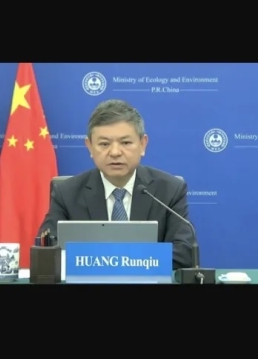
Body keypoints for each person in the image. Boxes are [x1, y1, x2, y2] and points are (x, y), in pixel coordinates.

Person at [38, 99, 195, 269]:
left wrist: (117, 262)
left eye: (125, 143)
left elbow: (184, 253)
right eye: (104, 144)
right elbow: (46, 252)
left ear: (142, 144)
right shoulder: (67, 193)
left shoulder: (169, 190)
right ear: (89, 147)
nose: (115, 152)